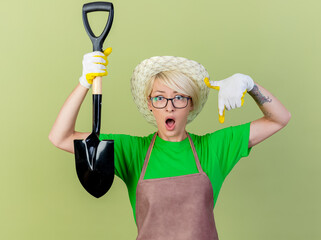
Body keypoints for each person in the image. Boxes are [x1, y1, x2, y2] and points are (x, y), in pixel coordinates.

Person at [49, 48, 291, 240]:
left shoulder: (215, 148)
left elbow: (279, 118)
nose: (169, 106)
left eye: (179, 97)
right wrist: (84, 82)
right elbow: (59, 137)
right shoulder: (132, 151)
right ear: (150, 104)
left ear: (191, 104)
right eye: (160, 98)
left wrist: (249, 85)